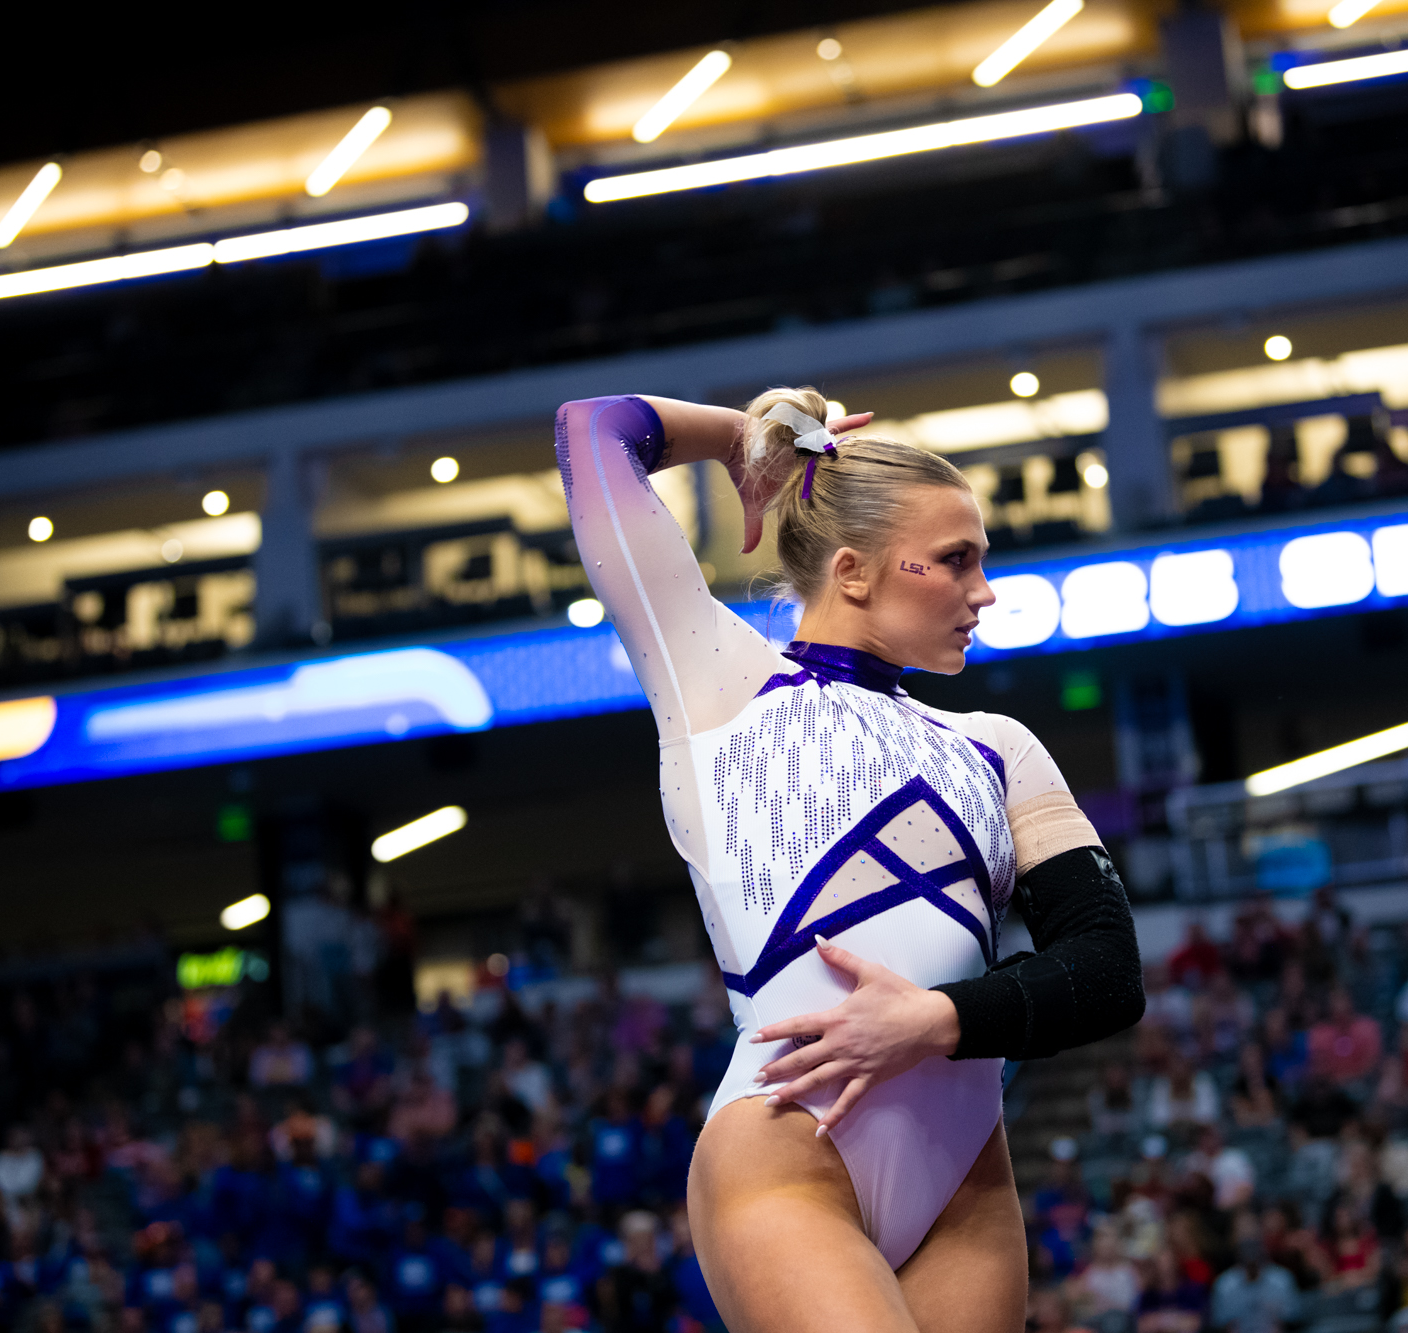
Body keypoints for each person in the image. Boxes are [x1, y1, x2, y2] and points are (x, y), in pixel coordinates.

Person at [554, 390, 1145, 1331]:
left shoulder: (999, 747)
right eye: (956, 561)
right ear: (854, 572)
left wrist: (936, 1019)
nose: (984, 592)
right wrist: (748, 440)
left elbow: (1109, 970)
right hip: (789, 1159)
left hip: (966, 1188)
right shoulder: (718, 683)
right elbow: (594, 430)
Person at [1210, 1240, 1297, 1333]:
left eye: (1256, 1264)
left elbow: (1293, 1318)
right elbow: (1220, 1323)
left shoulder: (1282, 1280)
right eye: (1248, 1264)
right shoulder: (1225, 1285)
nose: (1252, 1266)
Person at [1307, 988, 1382, 1085]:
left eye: (1342, 999)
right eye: (1335, 1000)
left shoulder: (1368, 1029)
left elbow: (1372, 1064)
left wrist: (1348, 1080)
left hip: (1362, 1085)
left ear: (1351, 1001)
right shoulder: (1319, 1034)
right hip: (1331, 1087)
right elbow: (1319, 1066)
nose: (1339, 1005)